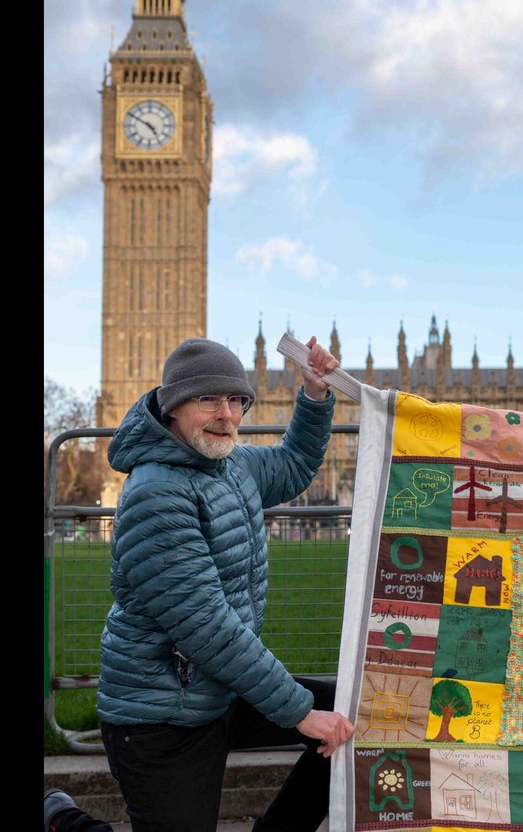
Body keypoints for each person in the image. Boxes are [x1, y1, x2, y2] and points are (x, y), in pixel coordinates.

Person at [91, 336, 355, 832]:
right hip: (160, 713)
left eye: (236, 400)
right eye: (209, 399)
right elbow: (207, 627)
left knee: (352, 716)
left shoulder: (229, 463)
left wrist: (316, 395)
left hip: (219, 689)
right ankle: (65, 818)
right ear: (173, 406)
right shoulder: (155, 493)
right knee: (318, 716)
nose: (227, 414)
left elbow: (294, 464)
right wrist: (299, 711)